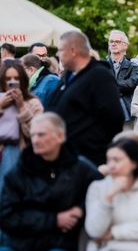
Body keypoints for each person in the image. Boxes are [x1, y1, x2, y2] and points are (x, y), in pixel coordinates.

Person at [0, 113, 101, 251]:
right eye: (33, 135)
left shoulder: (80, 168)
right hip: (20, 246)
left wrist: (81, 209)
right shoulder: (19, 171)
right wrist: (54, 220)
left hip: (59, 245)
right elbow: (6, 215)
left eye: (41, 134)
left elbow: (102, 194)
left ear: (60, 136)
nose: (35, 140)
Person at [47, 31, 124, 167]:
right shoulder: (68, 75)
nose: (57, 54)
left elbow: (114, 118)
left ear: (73, 51)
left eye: (60, 50)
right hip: (64, 157)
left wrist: (91, 145)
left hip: (87, 160)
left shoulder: (100, 76)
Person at [0, 61, 44, 190]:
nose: (12, 82)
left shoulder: (33, 102)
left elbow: (36, 133)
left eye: (16, 78)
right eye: (8, 79)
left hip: (19, 156)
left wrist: (21, 107)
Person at [106, 30, 138, 122]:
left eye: (117, 41)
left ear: (125, 45)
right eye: (111, 41)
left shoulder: (133, 67)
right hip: (105, 112)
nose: (113, 44)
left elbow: (132, 84)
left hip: (127, 113)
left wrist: (110, 85)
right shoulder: (102, 66)